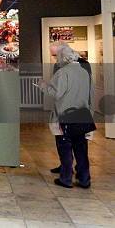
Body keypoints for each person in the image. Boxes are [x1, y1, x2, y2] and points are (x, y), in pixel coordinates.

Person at [39, 45, 93, 189]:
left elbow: (56, 93)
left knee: (65, 147)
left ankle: (66, 178)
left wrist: (43, 86)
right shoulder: (84, 72)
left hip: (65, 116)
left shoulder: (63, 73)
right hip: (82, 115)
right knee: (81, 149)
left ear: (62, 57)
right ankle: (84, 179)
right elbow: (89, 94)